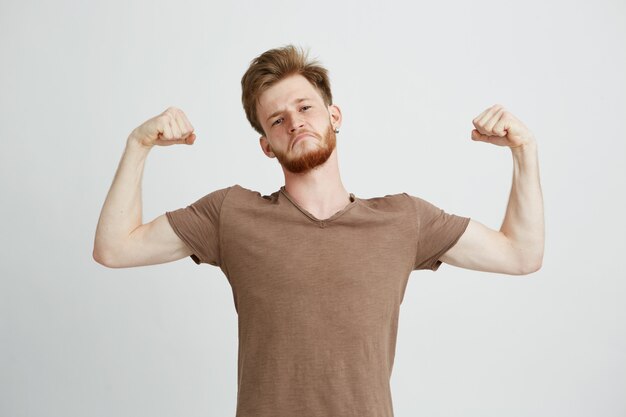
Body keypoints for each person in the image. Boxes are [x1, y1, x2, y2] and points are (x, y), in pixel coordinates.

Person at [93, 45, 544, 417]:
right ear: (266, 146)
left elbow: (521, 255)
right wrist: (139, 146)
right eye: (277, 120)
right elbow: (114, 248)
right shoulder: (230, 214)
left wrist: (524, 150)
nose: (294, 122)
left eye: (304, 107)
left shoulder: (403, 220)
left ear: (335, 116)